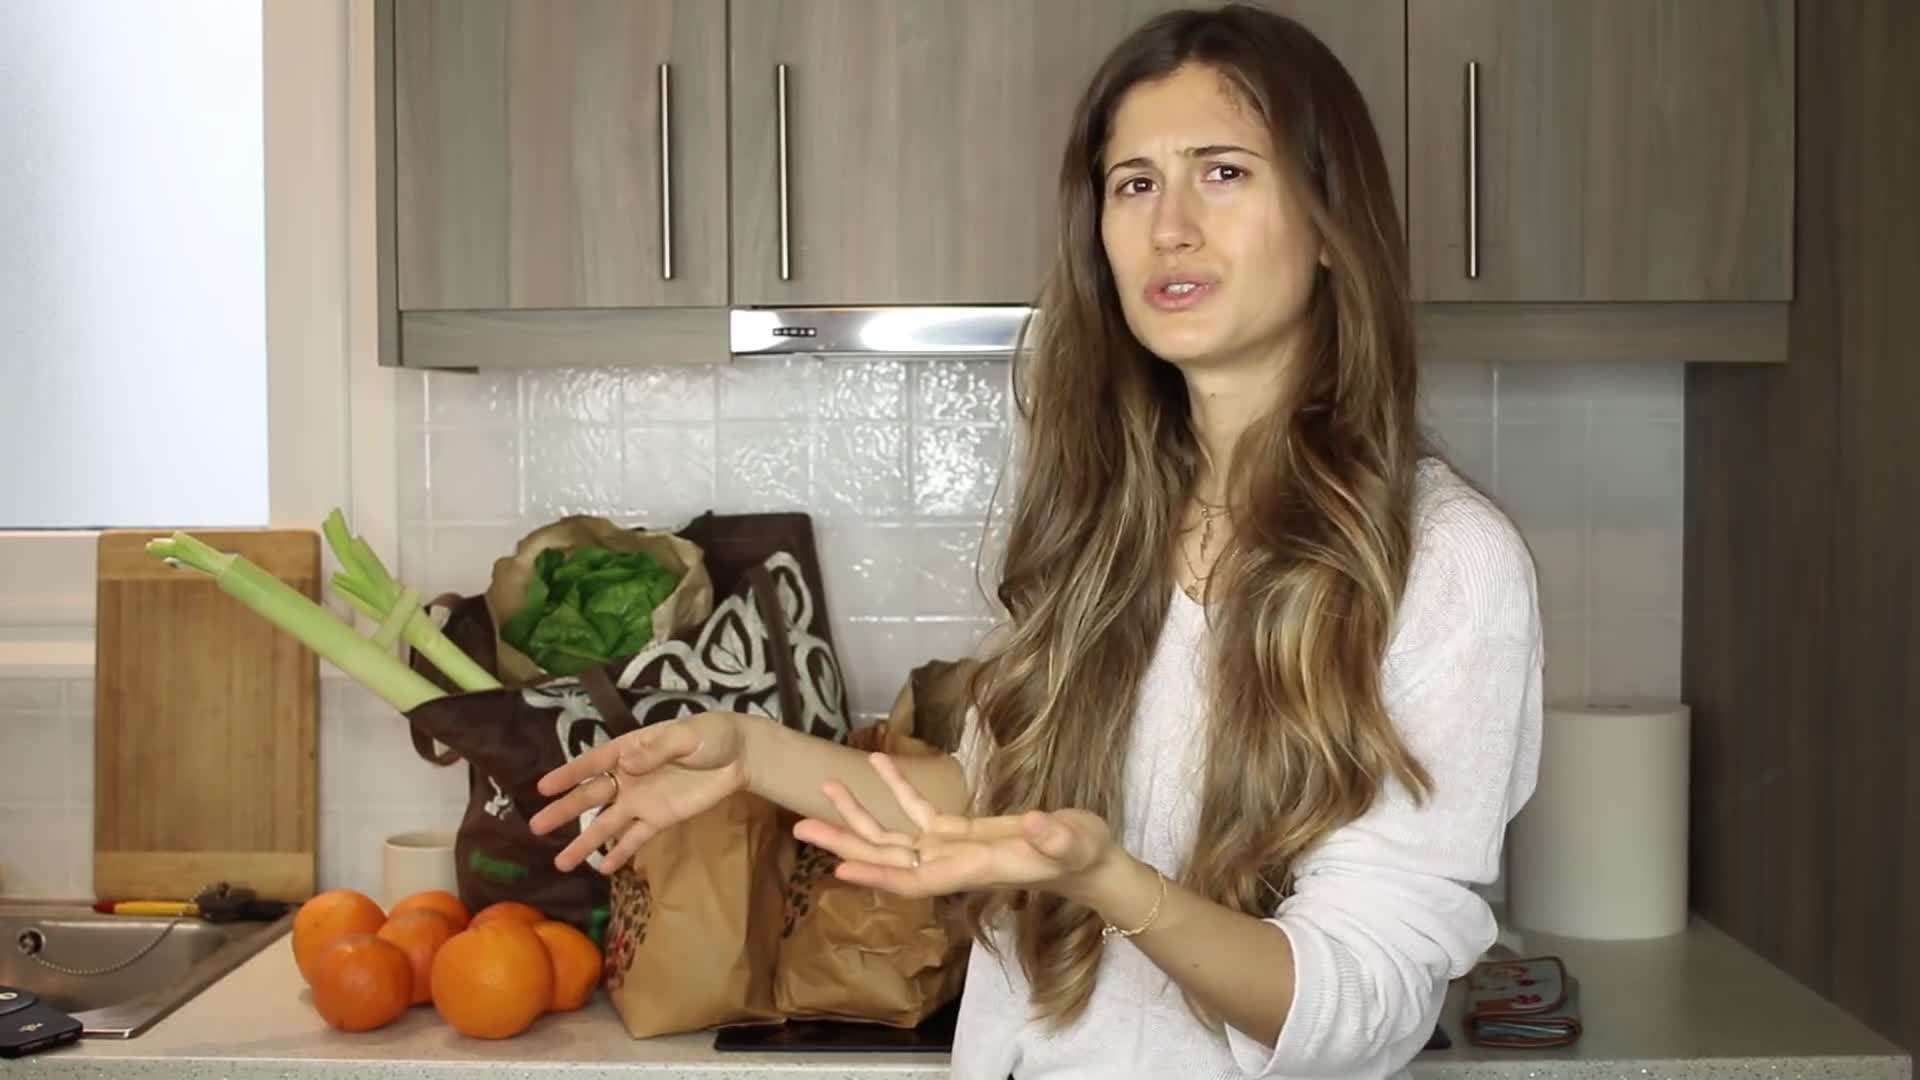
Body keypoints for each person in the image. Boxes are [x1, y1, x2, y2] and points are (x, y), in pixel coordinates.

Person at [529, 5, 1543, 1077]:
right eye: (1135, 183)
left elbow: (1369, 998)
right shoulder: (1110, 519)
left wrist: (1112, 884)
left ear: (1334, 223)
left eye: (1226, 172)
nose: (1171, 228)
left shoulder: (1443, 563)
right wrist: (749, 752)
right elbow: (996, 814)